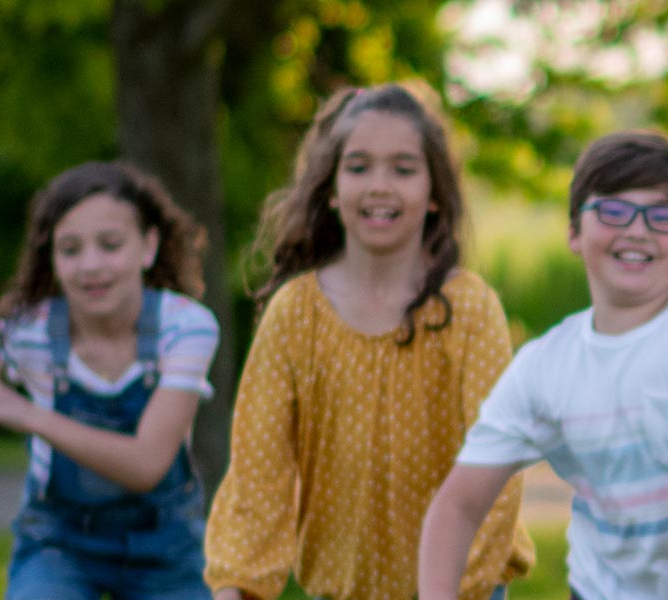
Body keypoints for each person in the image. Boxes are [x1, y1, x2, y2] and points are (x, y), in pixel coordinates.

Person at [419, 131, 668, 600]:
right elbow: (457, 505)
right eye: (613, 210)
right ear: (574, 232)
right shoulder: (546, 363)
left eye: (663, 215)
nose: (637, 230)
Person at [203, 82, 533, 600]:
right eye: (359, 167)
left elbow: (496, 473)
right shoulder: (296, 314)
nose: (380, 185)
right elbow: (256, 478)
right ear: (332, 189)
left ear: (433, 193)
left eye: (403, 169)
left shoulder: (471, 312)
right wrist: (236, 587)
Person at [0, 161, 218, 599]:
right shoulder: (27, 334)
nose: (90, 265)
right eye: (70, 249)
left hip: (167, 544)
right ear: (51, 258)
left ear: (147, 247)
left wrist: (29, 416)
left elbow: (147, 465)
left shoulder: (185, 327)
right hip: (59, 543)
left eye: (110, 245)